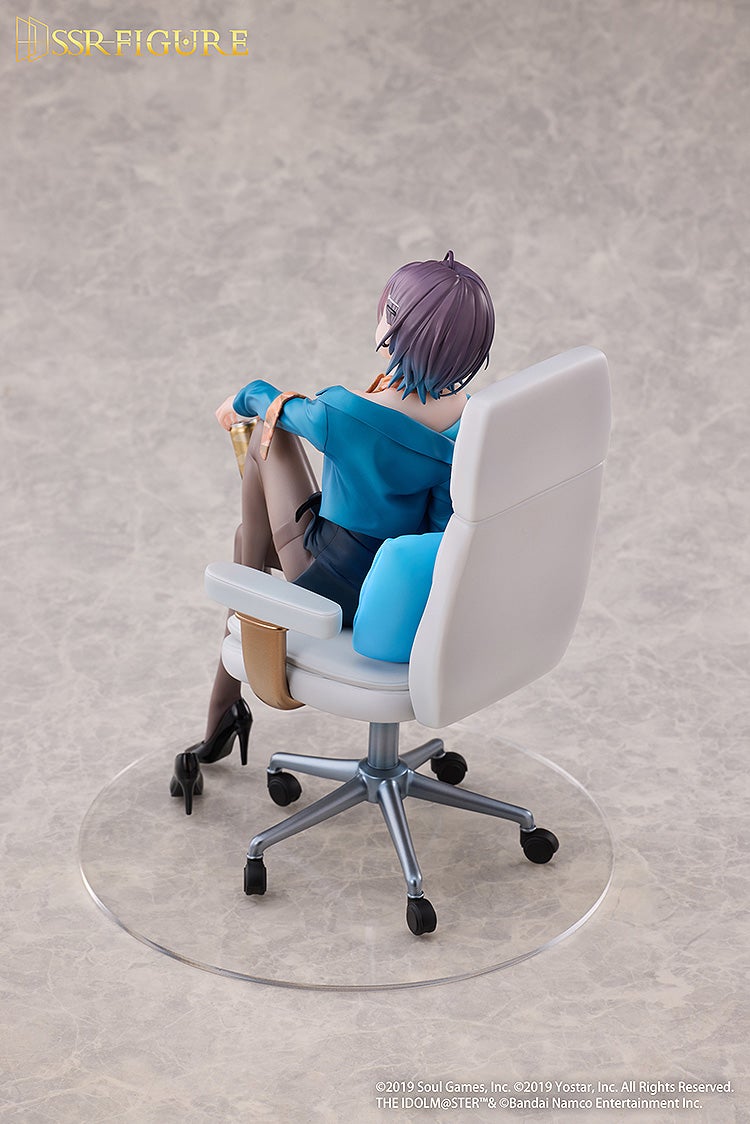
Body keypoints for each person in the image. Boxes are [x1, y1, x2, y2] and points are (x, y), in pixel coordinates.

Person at [171, 251, 495, 812]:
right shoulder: (472, 419)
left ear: (399, 327)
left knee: (263, 447)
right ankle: (230, 688)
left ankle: (229, 690)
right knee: (248, 535)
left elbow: (273, 406)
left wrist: (241, 397)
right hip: (415, 588)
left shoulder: (347, 413)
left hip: (333, 581)